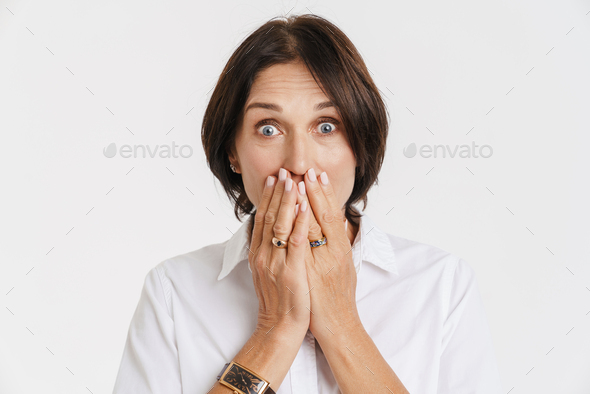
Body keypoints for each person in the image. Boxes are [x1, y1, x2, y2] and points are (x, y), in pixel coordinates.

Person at [112, 13, 503, 394]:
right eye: (268, 129)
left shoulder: (440, 286)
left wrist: (341, 325)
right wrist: (274, 331)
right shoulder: (174, 292)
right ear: (233, 151)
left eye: (326, 126)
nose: (299, 163)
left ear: (359, 145)